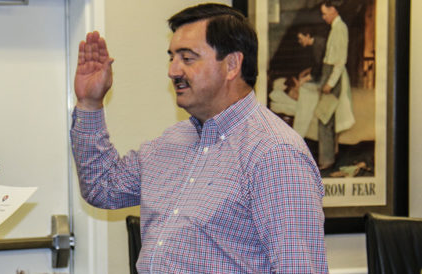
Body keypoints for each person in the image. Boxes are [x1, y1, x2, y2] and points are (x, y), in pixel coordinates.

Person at [71, 3, 327, 273]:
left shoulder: (276, 154)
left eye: (187, 58)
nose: (173, 70)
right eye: (171, 57)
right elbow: (103, 188)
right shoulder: (172, 141)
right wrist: (89, 103)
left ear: (232, 65)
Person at [317, 0, 355, 170]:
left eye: (325, 13)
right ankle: (329, 156)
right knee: (327, 118)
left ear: (333, 10)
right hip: (328, 72)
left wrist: (330, 83)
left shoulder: (340, 29)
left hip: (334, 76)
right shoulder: (335, 28)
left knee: (324, 118)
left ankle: (327, 160)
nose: (323, 17)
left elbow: (340, 61)